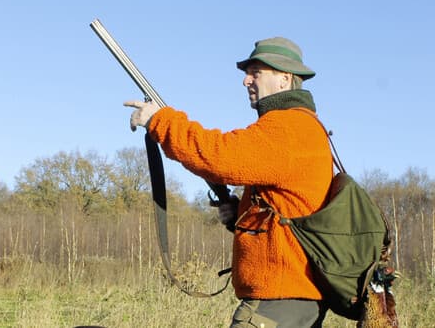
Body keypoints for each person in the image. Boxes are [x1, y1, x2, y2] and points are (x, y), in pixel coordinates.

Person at [124, 37, 333, 327]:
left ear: (285, 79)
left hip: (277, 303)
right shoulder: (303, 127)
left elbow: (217, 156)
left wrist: (160, 121)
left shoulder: (288, 127)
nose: (246, 81)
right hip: (294, 301)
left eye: (256, 72)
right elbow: (288, 209)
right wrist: (239, 215)